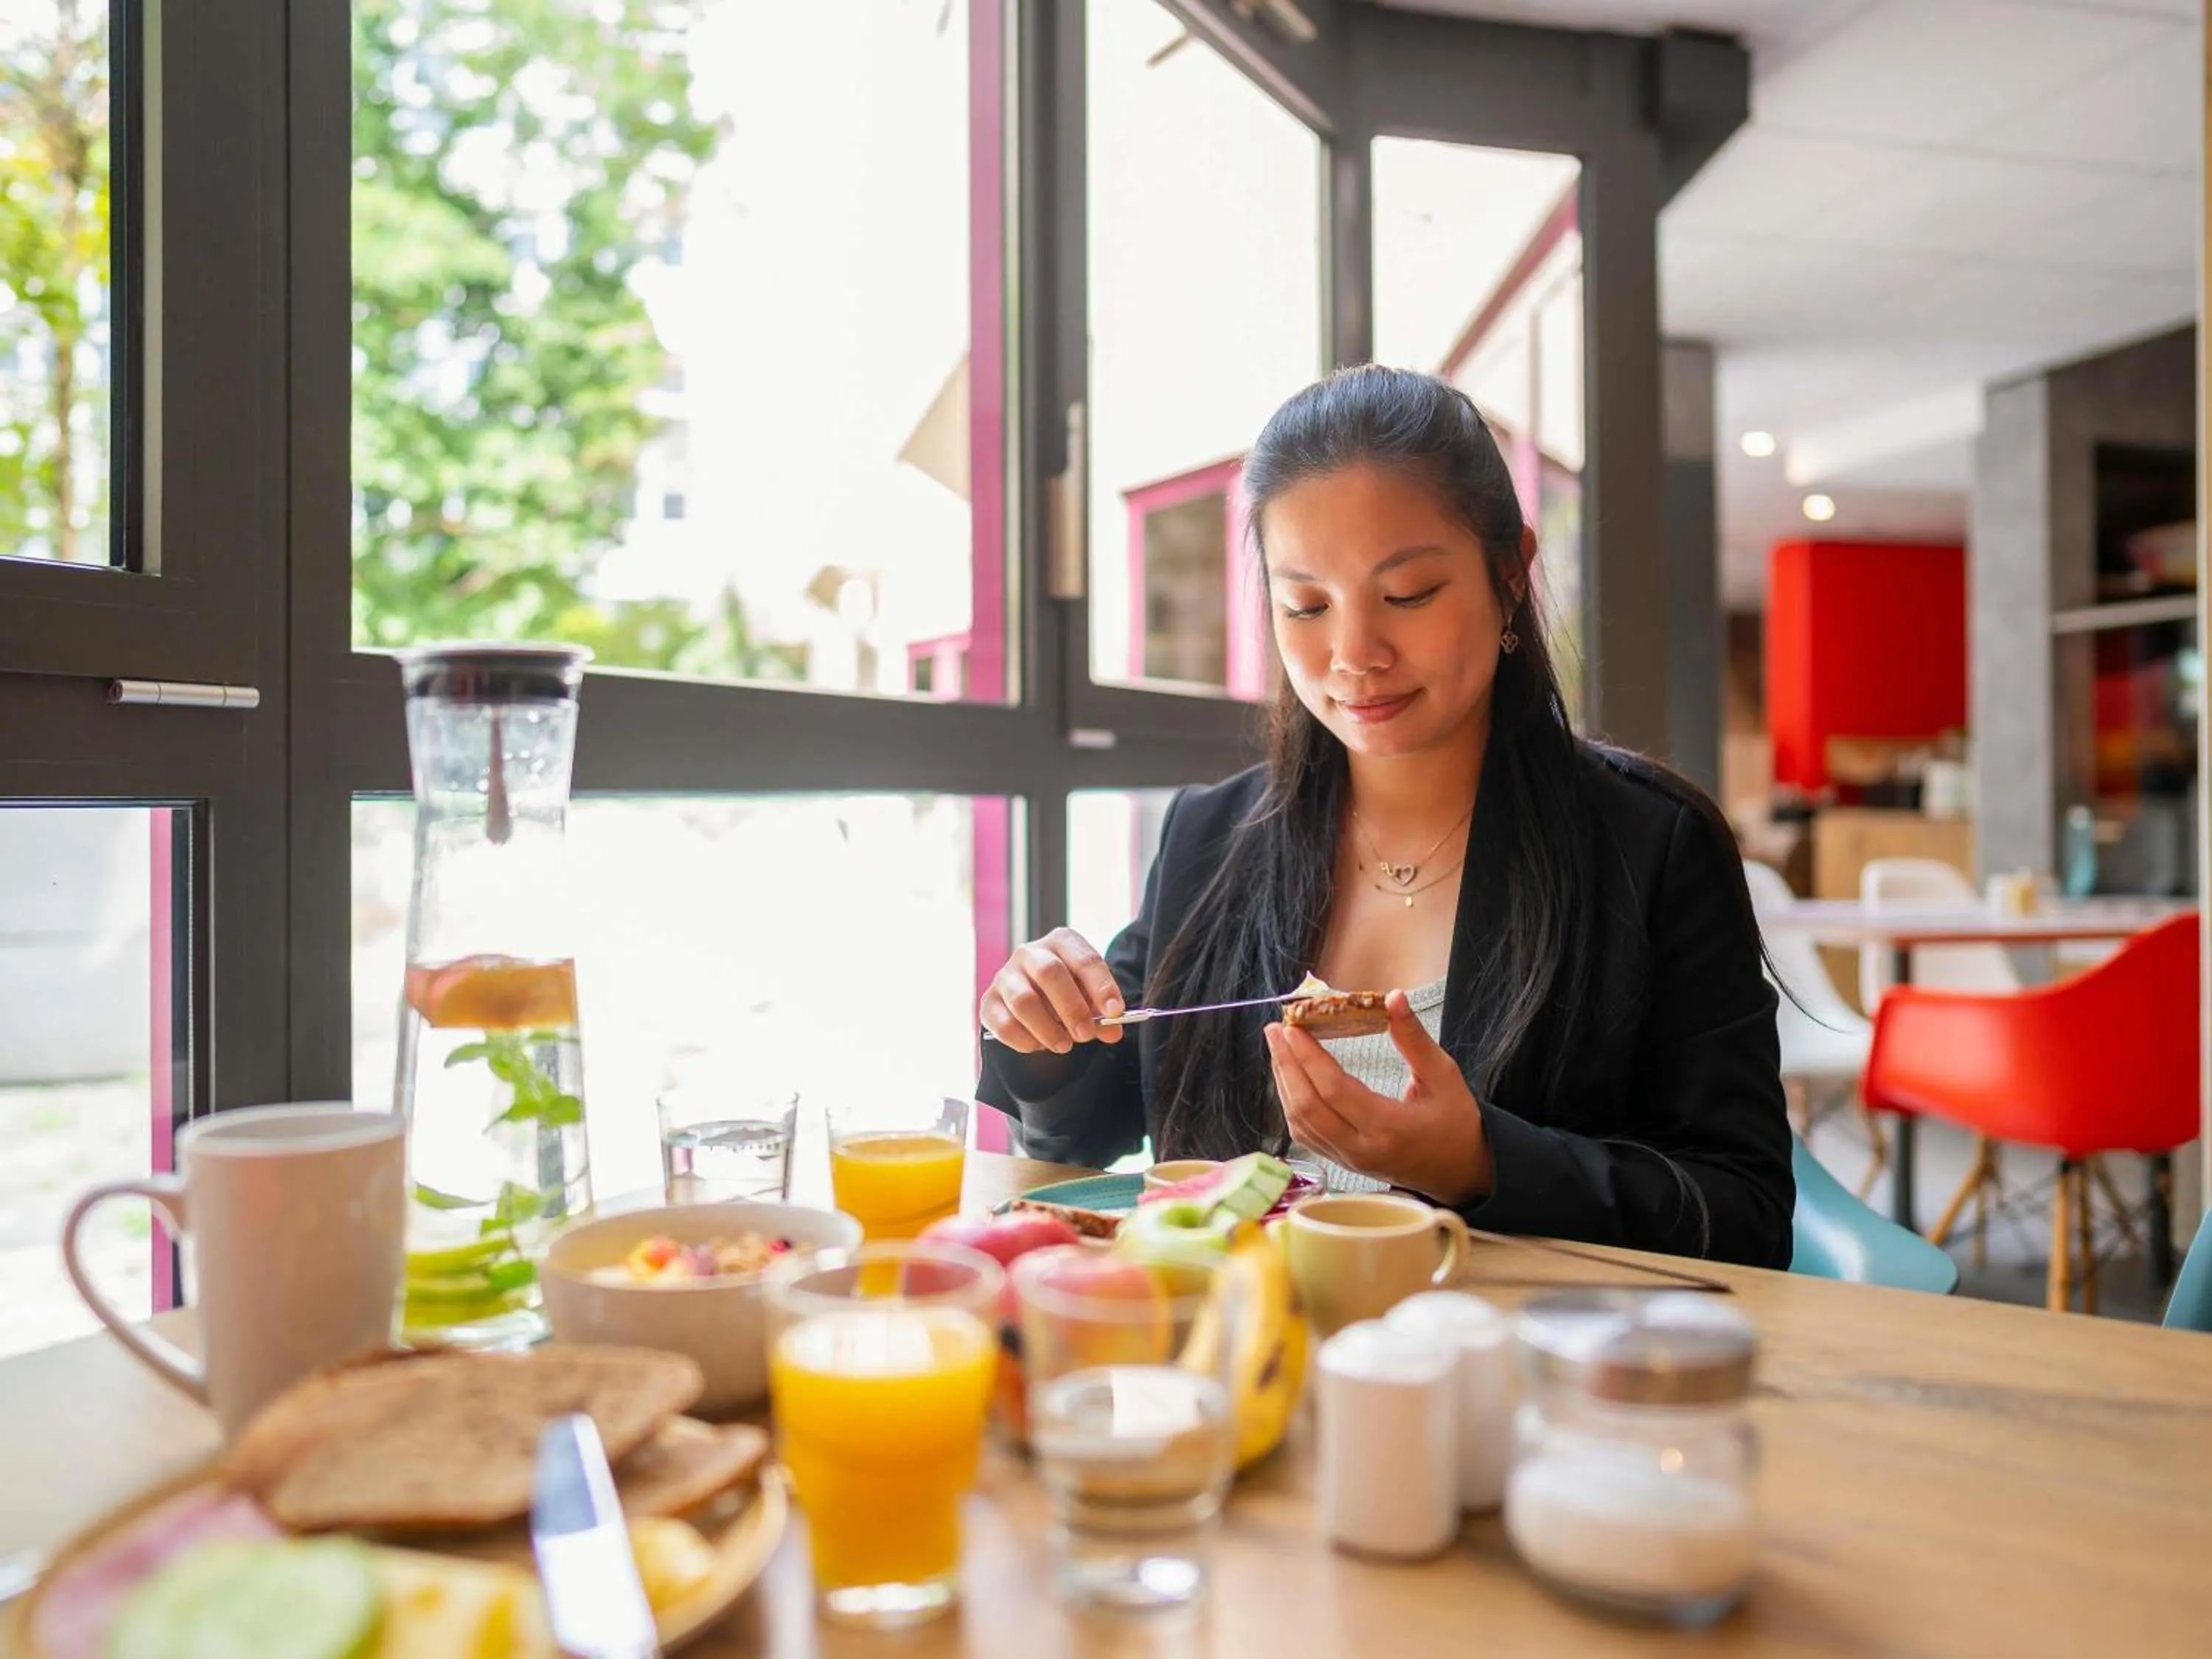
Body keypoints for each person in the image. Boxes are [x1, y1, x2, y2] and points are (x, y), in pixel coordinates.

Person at [977, 366, 1792, 1267]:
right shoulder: (1211, 837)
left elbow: (1746, 1215)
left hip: (1500, 1346)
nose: (1354, 654)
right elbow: (1084, 1131)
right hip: (1238, 1340)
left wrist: (1480, 1162)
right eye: (1307, 605)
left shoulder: (1650, 847)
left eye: (1408, 594)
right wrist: (1040, 1030)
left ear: (1510, 575)